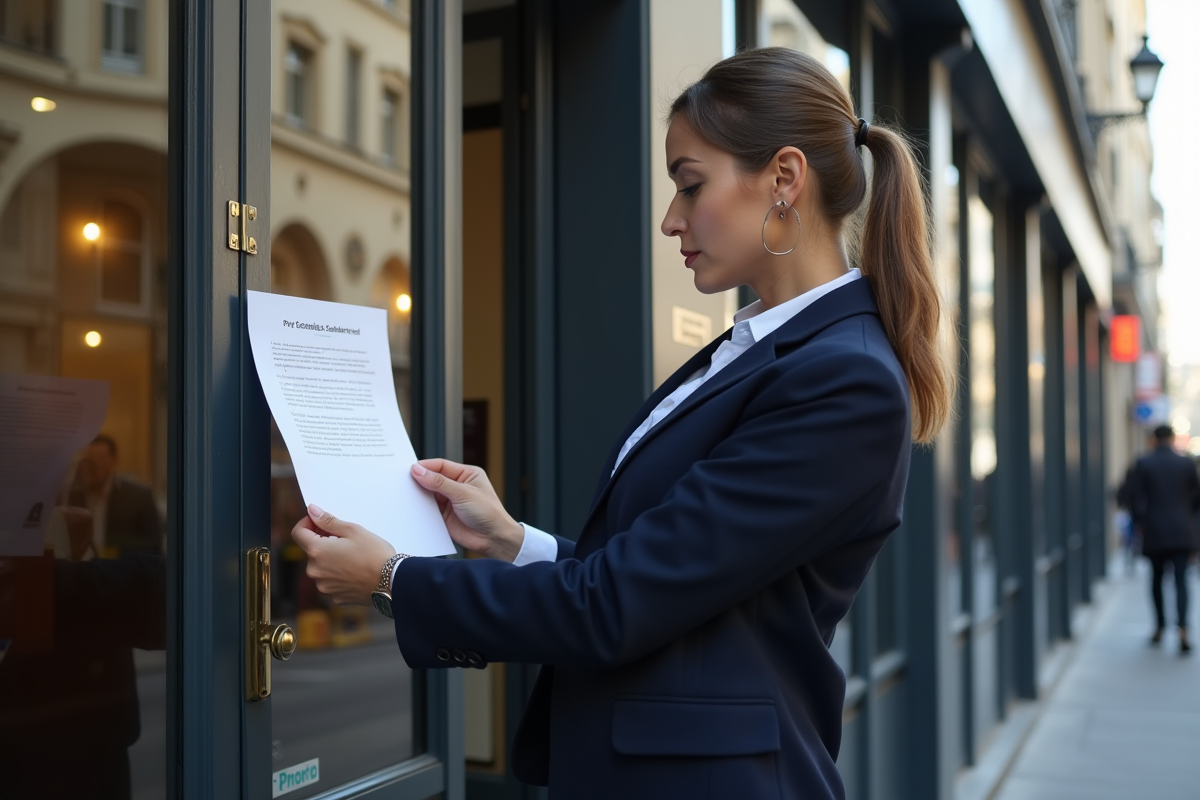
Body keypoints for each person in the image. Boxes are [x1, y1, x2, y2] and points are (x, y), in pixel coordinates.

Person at [291, 47, 953, 799]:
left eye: (689, 185)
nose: (671, 219)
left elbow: (615, 605)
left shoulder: (843, 379)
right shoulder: (765, 348)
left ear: (783, 178)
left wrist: (393, 579)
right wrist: (512, 540)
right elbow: (669, 579)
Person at [1127, 424, 1200, 653]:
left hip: (1155, 530)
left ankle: (1160, 626)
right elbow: (1197, 496)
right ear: (1172, 438)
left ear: (1154, 439)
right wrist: (1187, 516)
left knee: (1157, 579)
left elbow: (1132, 496)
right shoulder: (1186, 463)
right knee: (1181, 581)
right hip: (1182, 530)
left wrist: (1140, 521)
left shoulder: (1144, 463)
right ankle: (1183, 628)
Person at [69, 434, 163, 558]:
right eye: (88, 460)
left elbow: (153, 546)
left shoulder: (138, 497)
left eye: (100, 459)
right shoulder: (71, 496)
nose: (93, 465)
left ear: (114, 461)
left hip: (122, 567)